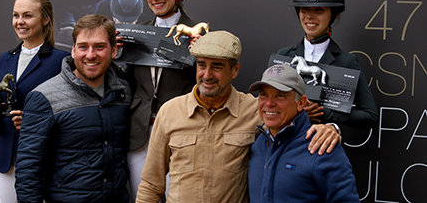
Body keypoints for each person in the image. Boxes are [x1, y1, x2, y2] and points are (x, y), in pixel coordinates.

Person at [136, 30, 341, 203]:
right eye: (201, 65)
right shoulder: (170, 112)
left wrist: (331, 128)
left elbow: (295, 127)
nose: (207, 75)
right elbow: (151, 185)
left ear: (235, 70)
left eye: (217, 66)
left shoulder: (256, 111)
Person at [15, 15, 132, 202]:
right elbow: (29, 168)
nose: (90, 55)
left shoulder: (124, 92)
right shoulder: (44, 96)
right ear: (73, 50)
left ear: (114, 51)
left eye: (99, 46)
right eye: (83, 46)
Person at [0, 0, 69, 203]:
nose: (20, 22)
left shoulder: (62, 61)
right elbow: (0, 106)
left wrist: (34, 122)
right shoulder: (4, 59)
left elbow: (71, 116)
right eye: (16, 15)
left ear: (46, 19)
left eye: (27, 15)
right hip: (6, 160)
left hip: (44, 162)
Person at [126, 0, 198, 200]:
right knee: (142, 196)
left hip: (179, 132)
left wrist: (202, 55)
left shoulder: (198, 33)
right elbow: (126, 82)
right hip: (140, 134)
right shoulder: (136, 32)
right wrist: (115, 56)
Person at [277, 0, 378, 129]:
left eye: (319, 10)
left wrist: (325, 114)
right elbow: (266, 105)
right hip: (284, 146)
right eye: (305, 9)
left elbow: (370, 116)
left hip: (323, 149)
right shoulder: (283, 56)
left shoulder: (346, 61)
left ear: (334, 15)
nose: (310, 16)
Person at [248, 64, 360, 202]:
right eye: (263, 95)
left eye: (280, 96)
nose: (269, 103)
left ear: (301, 103)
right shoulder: (258, 144)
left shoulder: (322, 147)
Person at [56, 0, 146, 49]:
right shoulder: (103, 7)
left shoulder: (147, 20)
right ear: (113, 16)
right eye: (120, 21)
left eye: (130, 22)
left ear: (138, 18)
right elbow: (68, 10)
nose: (125, 25)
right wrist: (71, 27)